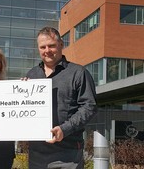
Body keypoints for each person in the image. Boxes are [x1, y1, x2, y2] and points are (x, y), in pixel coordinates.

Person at [26, 27, 98, 169]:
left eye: (51, 45)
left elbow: (89, 106)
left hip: (68, 154)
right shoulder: (31, 75)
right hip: (36, 154)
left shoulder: (78, 73)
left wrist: (64, 129)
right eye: (42, 47)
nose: (47, 50)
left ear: (61, 45)